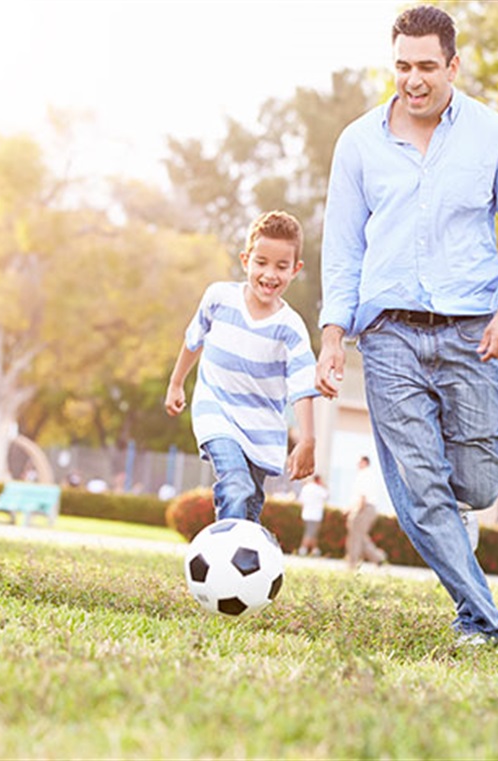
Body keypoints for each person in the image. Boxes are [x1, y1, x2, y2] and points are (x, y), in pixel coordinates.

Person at [314, 5, 498, 646]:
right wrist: (333, 336)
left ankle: (451, 520)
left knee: (474, 480)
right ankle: (481, 615)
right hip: (388, 333)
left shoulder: (496, 136)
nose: (413, 80)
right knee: (418, 488)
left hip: (473, 328)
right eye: (402, 66)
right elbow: (342, 248)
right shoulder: (358, 143)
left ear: (453, 64)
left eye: (426, 67)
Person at [166, 210, 319, 523]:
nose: (270, 274)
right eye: (261, 262)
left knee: (249, 503)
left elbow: (303, 386)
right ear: (245, 259)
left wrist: (308, 439)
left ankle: (245, 560)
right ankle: (224, 555)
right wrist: (176, 382)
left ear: (295, 269)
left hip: (262, 427)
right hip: (217, 411)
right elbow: (194, 339)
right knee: (236, 483)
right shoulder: (219, 298)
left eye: (281, 266)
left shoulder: (290, 327)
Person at [345, 456, 388, 569]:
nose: (357, 464)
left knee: (356, 537)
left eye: (359, 462)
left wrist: (356, 511)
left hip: (364, 508)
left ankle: (352, 563)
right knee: (360, 536)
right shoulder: (370, 475)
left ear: (364, 462)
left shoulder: (364, 475)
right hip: (368, 508)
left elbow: (362, 496)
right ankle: (378, 558)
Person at [297, 474, 328, 557]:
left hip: (306, 513)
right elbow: (327, 496)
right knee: (310, 532)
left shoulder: (306, 488)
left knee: (312, 532)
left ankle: (315, 549)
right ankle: (303, 549)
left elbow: (301, 500)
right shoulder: (320, 489)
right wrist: (324, 485)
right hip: (316, 515)